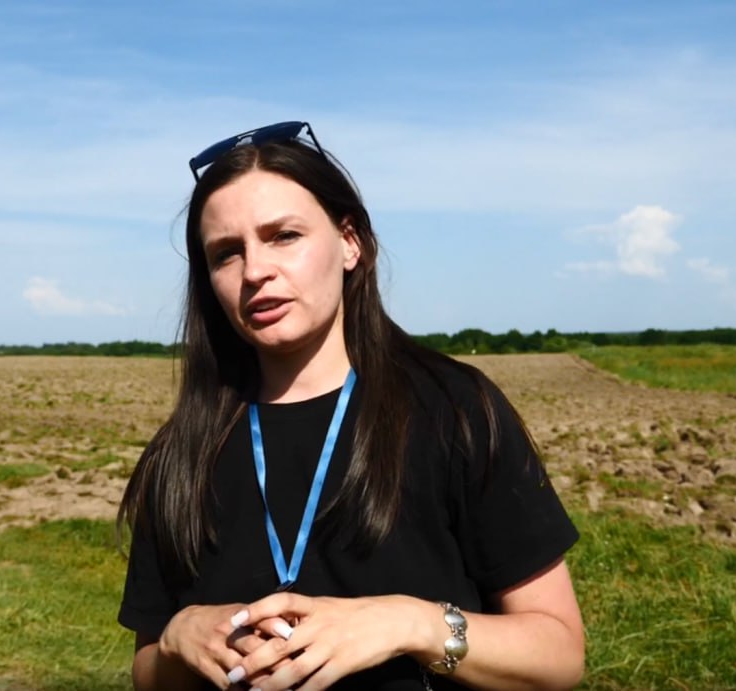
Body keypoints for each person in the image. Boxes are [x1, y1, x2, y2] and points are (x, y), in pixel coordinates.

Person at [117, 121, 584, 691]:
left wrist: (413, 623)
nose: (256, 271)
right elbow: (148, 674)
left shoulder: (455, 411)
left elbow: (559, 655)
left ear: (350, 243)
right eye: (226, 254)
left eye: (284, 235)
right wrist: (176, 641)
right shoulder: (182, 451)